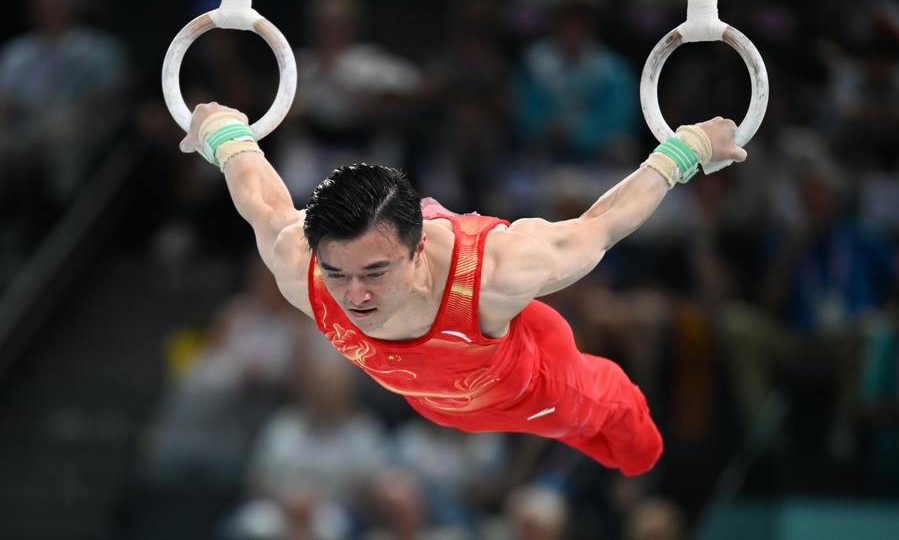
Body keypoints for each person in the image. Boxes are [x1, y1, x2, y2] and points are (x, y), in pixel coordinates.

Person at [177, 102, 748, 476]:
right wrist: (225, 133)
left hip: (541, 390)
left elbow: (600, 227)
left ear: (419, 248)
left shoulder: (497, 271)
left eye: (376, 273)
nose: (354, 297)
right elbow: (262, 198)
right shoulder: (298, 263)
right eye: (339, 274)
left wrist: (687, 149)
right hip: (438, 406)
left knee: (639, 453)